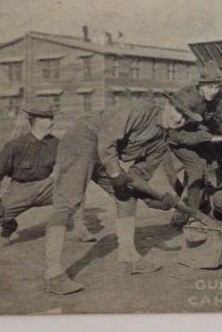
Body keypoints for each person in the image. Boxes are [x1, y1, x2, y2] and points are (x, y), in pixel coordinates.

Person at [43, 97, 198, 295]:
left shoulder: (161, 142)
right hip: (83, 139)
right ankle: (53, 274)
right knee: (67, 203)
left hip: (105, 155)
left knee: (127, 195)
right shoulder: (140, 109)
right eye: (179, 112)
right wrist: (115, 173)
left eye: (186, 117)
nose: (180, 119)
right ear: (167, 105)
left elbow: (137, 177)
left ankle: (129, 258)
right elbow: (107, 138)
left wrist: (159, 201)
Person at [0, 100, 95, 245]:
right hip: (21, 189)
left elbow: (71, 167)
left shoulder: (57, 144)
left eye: (52, 118)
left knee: (76, 189)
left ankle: (80, 229)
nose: (52, 122)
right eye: (48, 119)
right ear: (36, 121)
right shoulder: (15, 145)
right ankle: (8, 227)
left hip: (46, 186)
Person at [168, 60, 222, 225]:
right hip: (177, 140)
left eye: (216, 87)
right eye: (209, 87)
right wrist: (196, 138)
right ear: (200, 85)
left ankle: (190, 211)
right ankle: (193, 217)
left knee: (205, 166)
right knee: (197, 168)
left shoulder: (216, 100)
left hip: (196, 137)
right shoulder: (187, 99)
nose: (213, 92)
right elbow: (172, 134)